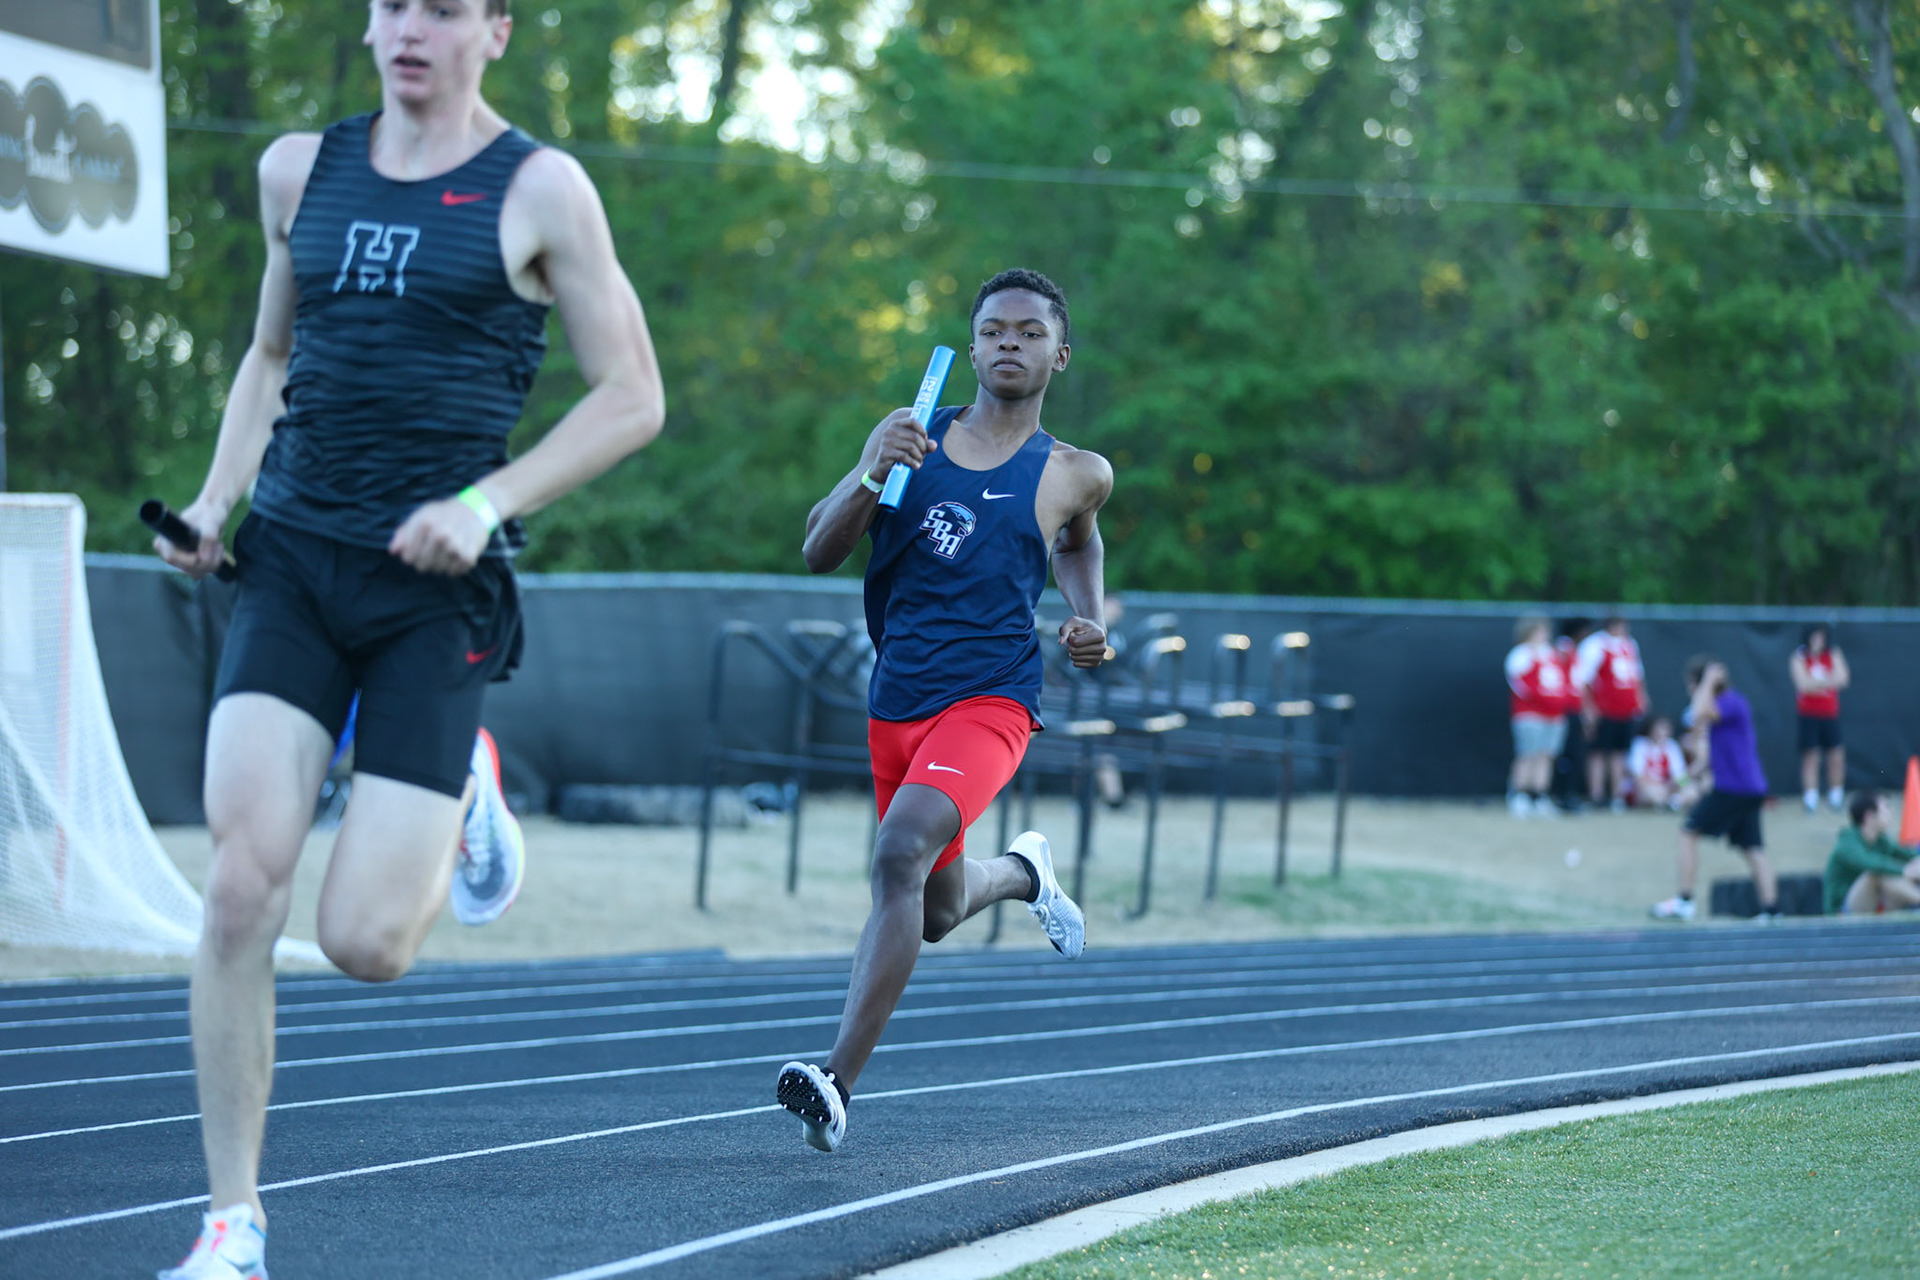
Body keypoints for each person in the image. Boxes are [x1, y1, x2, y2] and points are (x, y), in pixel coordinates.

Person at [149, 0, 665, 1273]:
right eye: (391, 4)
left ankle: (465, 792)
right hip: (293, 562)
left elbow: (633, 396)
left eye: (443, 7)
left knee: (365, 942)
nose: (410, 27)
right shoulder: (297, 171)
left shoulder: (540, 189)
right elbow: (269, 355)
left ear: (496, 29)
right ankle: (231, 1222)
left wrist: (487, 503)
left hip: (436, 587)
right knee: (238, 885)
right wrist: (215, 500)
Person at [778, 268, 1109, 1152]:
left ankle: (835, 1080)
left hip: (993, 699)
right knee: (931, 907)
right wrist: (869, 471)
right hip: (897, 698)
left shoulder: (1075, 472)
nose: (1010, 343)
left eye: (1030, 332)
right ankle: (1025, 873)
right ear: (971, 348)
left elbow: (1079, 541)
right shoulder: (910, 436)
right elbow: (818, 549)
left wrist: (1090, 618)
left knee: (897, 854)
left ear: (1060, 355)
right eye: (994, 330)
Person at [1651, 657, 1779, 922]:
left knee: (1687, 832)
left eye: (1691, 685)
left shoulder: (1729, 702)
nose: (1690, 691)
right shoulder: (1720, 708)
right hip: (1748, 789)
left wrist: (1707, 681)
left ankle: (1685, 901)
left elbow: (1697, 712)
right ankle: (1771, 910)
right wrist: (1678, 784)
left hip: (1735, 788)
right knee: (1752, 848)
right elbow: (1705, 761)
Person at [1574, 615, 1648, 812]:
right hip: (1604, 710)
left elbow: (1637, 675)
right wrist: (1588, 708)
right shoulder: (1595, 645)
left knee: (1619, 753)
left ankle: (1617, 796)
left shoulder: (1629, 644)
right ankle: (1596, 795)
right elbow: (1584, 679)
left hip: (1625, 710)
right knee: (1597, 753)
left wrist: (1641, 698)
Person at [1505, 617, 1572, 818]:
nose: (1543, 635)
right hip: (1530, 715)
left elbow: (1562, 680)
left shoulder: (1551, 653)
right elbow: (1521, 685)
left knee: (1546, 756)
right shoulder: (1520, 655)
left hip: (1554, 715)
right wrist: (1544, 699)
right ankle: (1519, 796)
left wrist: (1560, 700)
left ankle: (1539, 796)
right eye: (1539, 631)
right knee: (1527, 754)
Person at [1824, 789, 1920, 914]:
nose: (1890, 812)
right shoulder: (1847, 843)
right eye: (1885, 808)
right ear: (1869, 815)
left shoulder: (1881, 840)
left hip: (1874, 905)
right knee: (1876, 874)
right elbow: (1871, 864)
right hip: (1841, 914)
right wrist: (1905, 871)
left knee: (1914, 864)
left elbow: (1910, 855)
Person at [1791, 623, 1850, 812]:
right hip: (1808, 715)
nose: (1818, 641)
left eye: (1821, 637)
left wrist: (1816, 683)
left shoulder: (1833, 654)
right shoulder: (1799, 657)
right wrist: (1827, 682)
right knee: (1811, 757)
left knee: (1836, 756)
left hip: (1830, 714)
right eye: (1815, 637)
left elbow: (1843, 678)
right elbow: (1803, 684)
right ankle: (1810, 798)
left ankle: (1835, 796)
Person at [1626, 714, 1693, 811]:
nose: (1662, 733)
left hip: (1668, 787)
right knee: (1651, 794)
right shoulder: (1640, 744)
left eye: (1665, 729)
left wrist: (1675, 785)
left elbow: (1681, 774)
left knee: (1691, 790)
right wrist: (1657, 786)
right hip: (1647, 787)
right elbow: (1637, 776)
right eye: (1659, 729)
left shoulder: (1672, 745)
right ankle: (1670, 802)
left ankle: (1673, 802)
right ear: (1650, 729)